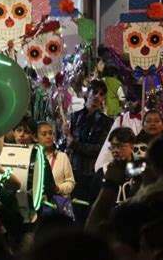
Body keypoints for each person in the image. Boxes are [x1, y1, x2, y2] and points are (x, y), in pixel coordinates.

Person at [64, 79, 113, 223]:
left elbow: (100, 149)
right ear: (88, 93)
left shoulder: (106, 122)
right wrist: (63, 134)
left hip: (92, 173)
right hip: (74, 171)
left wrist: (75, 145)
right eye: (95, 92)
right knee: (75, 210)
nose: (97, 96)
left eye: (102, 94)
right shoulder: (75, 117)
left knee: (90, 211)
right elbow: (66, 145)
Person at [94, 84, 143, 172]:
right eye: (128, 100)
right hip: (124, 166)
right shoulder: (120, 120)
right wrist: (101, 167)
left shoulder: (150, 118)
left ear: (141, 100)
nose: (129, 103)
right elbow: (109, 145)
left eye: (133, 100)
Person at [90, 127, 136, 205]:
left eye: (121, 146)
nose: (116, 150)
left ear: (132, 147)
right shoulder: (102, 172)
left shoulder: (140, 171)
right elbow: (94, 202)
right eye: (113, 146)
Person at [34, 122, 75, 197]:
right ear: (36, 138)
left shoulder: (62, 157)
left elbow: (71, 182)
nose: (48, 136)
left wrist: (58, 188)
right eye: (44, 134)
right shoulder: (33, 158)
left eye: (50, 133)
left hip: (56, 203)